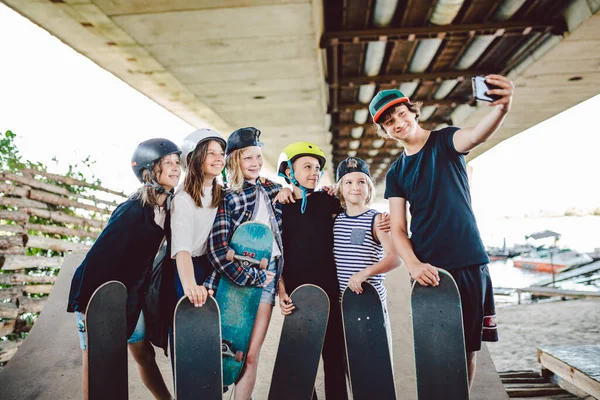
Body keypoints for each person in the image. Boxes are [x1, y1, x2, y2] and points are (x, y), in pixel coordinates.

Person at [370, 74, 513, 388]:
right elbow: (397, 228)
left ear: (413, 111)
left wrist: (501, 109)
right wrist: (413, 264)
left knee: (467, 349)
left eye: (401, 114)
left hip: (468, 260)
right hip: (429, 268)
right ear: (385, 131)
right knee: (436, 349)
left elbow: (475, 135)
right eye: (389, 122)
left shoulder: (446, 141)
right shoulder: (396, 172)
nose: (398, 123)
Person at [67, 138, 181, 400]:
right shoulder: (132, 210)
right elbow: (98, 259)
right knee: (97, 363)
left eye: (177, 162)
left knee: (144, 354)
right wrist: (89, 307)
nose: (176, 168)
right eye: (168, 163)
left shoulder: (166, 206)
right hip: (97, 296)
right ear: (149, 172)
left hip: (131, 296)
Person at [206, 127, 281, 400]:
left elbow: (303, 194)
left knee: (250, 354)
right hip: (234, 281)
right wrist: (253, 278)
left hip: (270, 275)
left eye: (259, 158)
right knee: (227, 353)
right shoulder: (228, 196)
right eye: (248, 158)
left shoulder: (273, 190)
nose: (256, 164)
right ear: (235, 161)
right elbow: (217, 250)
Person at [276, 141, 348, 400]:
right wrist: (281, 291)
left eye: (317, 167)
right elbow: (276, 255)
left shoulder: (327, 201)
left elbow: (354, 209)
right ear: (288, 171)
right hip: (297, 294)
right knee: (302, 359)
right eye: (306, 166)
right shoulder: (279, 206)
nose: (314, 172)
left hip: (330, 291)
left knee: (334, 357)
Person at [332, 157, 401, 355]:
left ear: (369, 188)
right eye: (349, 182)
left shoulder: (377, 219)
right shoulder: (335, 220)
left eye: (361, 181)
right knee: (350, 367)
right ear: (340, 189)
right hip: (343, 305)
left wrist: (364, 273)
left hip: (371, 304)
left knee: (376, 364)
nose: (356, 187)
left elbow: (394, 257)